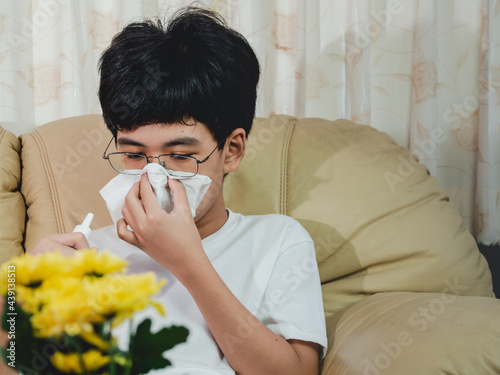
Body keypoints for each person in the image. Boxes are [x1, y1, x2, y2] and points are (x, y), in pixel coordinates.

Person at [32, 7, 327, 375]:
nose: (154, 174)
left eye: (180, 155)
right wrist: (15, 298)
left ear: (231, 151)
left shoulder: (277, 240)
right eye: (134, 154)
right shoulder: (87, 254)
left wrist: (187, 261)